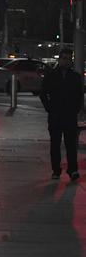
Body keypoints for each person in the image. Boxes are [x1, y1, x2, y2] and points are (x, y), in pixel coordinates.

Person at [39, 48, 82, 181]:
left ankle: (73, 170)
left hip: (69, 115)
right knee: (55, 144)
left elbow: (79, 95)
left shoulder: (75, 77)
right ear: (59, 59)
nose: (66, 61)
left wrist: (76, 109)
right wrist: (49, 108)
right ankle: (56, 170)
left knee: (71, 145)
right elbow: (43, 93)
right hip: (55, 115)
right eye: (63, 58)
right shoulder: (51, 75)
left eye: (68, 58)